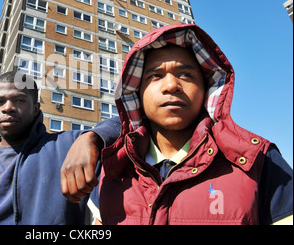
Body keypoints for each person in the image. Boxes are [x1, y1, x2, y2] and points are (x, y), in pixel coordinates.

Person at [94, 24, 293, 225]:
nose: (171, 85)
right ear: (137, 95)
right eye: (155, 76)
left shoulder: (258, 159)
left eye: (185, 74)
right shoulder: (109, 172)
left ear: (207, 90)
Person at [0, 71, 120, 225]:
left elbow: (129, 123)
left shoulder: (66, 147)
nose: (8, 108)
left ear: (36, 108)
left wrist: (93, 137)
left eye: (19, 100)